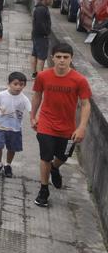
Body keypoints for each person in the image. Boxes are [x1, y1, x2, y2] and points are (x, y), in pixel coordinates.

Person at [31, 43, 91, 208]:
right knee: (45, 157)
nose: (62, 61)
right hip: (46, 123)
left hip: (68, 128)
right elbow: (37, 96)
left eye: (65, 57)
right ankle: (44, 190)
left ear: (71, 59)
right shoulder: (43, 76)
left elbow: (85, 104)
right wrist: (32, 116)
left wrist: (81, 127)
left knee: (63, 156)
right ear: (52, 58)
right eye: (58, 57)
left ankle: (55, 169)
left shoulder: (79, 80)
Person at [0, 72, 31, 178]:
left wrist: (34, 120)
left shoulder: (24, 99)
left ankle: (8, 165)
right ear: (8, 84)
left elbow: (31, 111)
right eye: (15, 84)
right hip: (0, 126)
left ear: (24, 85)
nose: (18, 87)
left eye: (21, 84)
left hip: (15, 128)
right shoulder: (1, 95)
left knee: (11, 148)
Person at [31, 0, 52, 79]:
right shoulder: (42, 9)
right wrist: (46, 32)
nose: (51, 1)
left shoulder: (38, 8)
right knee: (41, 57)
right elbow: (40, 24)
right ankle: (39, 76)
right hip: (41, 36)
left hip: (36, 35)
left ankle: (35, 74)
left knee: (35, 54)